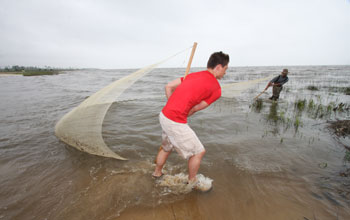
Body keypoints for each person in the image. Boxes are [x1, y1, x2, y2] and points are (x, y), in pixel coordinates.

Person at [152, 51, 229, 188]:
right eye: (225, 69)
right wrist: (182, 111)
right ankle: (192, 182)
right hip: (174, 120)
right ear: (218, 67)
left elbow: (168, 86)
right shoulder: (216, 90)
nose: (225, 72)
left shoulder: (192, 75)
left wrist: (173, 103)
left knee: (166, 148)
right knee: (199, 152)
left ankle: (157, 173)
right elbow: (193, 110)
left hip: (164, 115)